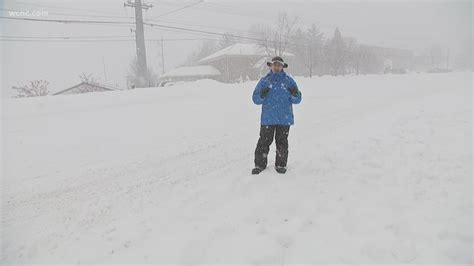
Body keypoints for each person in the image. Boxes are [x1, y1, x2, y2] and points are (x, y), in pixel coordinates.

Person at [251, 56, 302, 174]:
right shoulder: (265, 81)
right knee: (264, 142)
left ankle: (280, 165)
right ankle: (259, 165)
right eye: (275, 64)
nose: (277, 67)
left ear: (283, 67)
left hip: (284, 119)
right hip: (268, 119)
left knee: (282, 143)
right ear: (271, 66)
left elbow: (298, 99)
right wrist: (262, 95)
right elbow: (255, 99)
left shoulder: (289, 81)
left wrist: (295, 94)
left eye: (279, 65)